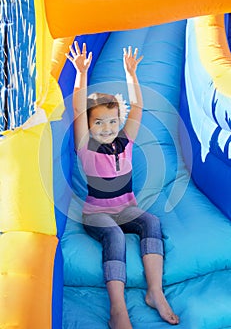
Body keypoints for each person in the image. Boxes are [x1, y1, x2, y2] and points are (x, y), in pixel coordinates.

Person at [66, 42, 179, 328]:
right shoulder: (86, 146)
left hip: (126, 208)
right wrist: (81, 73)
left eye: (112, 121)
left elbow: (138, 107)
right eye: (99, 122)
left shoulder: (125, 141)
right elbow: (79, 110)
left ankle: (155, 291)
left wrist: (132, 74)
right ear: (90, 126)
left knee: (151, 222)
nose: (107, 128)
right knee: (115, 236)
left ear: (119, 121)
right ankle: (118, 309)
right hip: (97, 215)